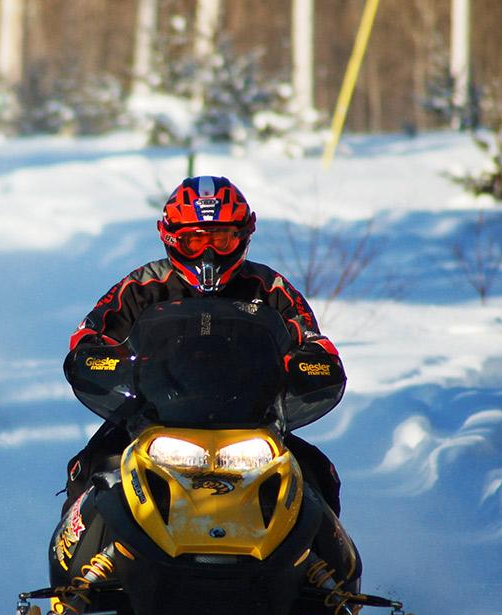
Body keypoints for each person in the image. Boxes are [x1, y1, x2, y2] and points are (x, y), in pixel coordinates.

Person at [63, 175, 343, 516]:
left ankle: (323, 568)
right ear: (171, 239)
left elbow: (314, 343)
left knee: (319, 474)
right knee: (87, 469)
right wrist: (105, 362)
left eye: (222, 240)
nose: (208, 254)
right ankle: (80, 564)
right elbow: (88, 336)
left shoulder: (269, 287)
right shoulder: (142, 287)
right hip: (151, 418)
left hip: (253, 424)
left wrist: (309, 366)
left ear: (243, 236)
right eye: (194, 242)